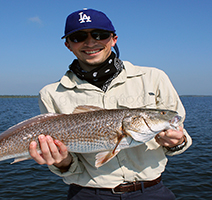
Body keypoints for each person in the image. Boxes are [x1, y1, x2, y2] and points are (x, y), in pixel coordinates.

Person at [29, 8, 192, 200]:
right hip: (88, 193)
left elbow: (181, 137)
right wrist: (61, 162)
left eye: (100, 35)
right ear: (68, 45)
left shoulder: (154, 78)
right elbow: (68, 166)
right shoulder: (50, 94)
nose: (90, 42)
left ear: (114, 39)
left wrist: (177, 142)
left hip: (151, 191)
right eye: (79, 37)